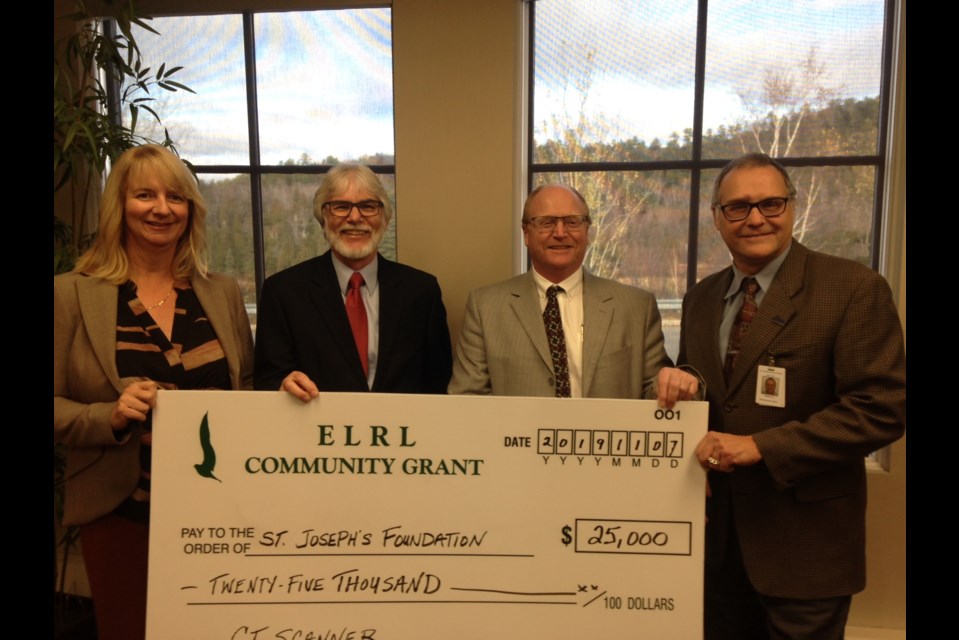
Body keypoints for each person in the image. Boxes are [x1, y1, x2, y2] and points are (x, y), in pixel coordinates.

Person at [679, 153, 906, 639]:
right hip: (715, 543)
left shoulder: (852, 288)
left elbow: (880, 410)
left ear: (792, 207)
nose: (755, 217)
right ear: (717, 218)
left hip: (806, 544)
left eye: (770, 203)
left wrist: (762, 446)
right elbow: (712, 389)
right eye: (738, 207)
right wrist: (677, 381)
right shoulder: (700, 298)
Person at [54, 144, 255, 640]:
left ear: (191, 211)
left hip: (219, 512)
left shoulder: (221, 291)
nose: (162, 209)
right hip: (121, 513)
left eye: (176, 196)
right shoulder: (70, 294)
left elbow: (246, 387)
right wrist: (110, 415)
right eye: (145, 195)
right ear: (119, 206)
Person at [448, 183, 698, 401]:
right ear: (526, 233)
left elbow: (655, 394)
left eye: (572, 221)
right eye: (546, 222)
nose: (560, 233)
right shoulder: (485, 307)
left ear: (587, 231)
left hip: (605, 452)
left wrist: (675, 385)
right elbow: (468, 399)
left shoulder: (636, 306)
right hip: (514, 451)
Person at [254, 162, 452, 399]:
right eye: (341, 206)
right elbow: (267, 381)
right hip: (315, 434)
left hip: (404, 434)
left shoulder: (422, 292)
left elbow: (438, 387)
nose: (355, 217)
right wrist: (282, 384)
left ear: (385, 218)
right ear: (323, 216)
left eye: (368, 206)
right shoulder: (283, 292)